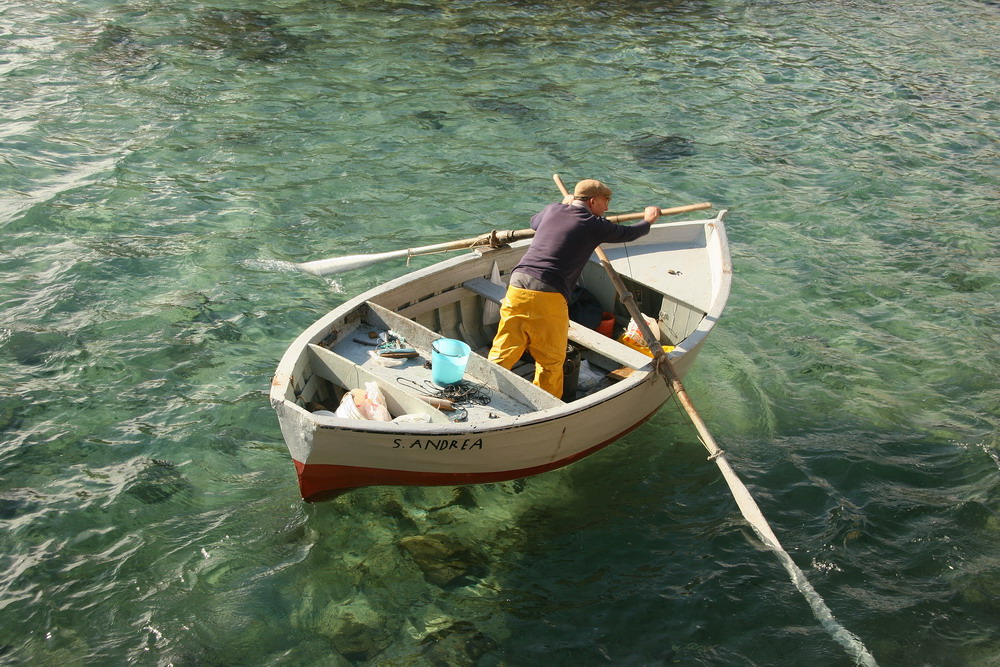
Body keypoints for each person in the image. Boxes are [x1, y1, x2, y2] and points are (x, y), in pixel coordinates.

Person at [487, 179, 661, 398]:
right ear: (593, 200)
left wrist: (562, 204)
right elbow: (628, 234)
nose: (607, 208)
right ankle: (546, 405)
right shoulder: (593, 224)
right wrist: (648, 220)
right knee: (551, 359)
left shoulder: (553, 210)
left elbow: (534, 222)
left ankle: (486, 389)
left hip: (518, 284)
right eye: (606, 202)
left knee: (505, 346)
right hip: (548, 293)